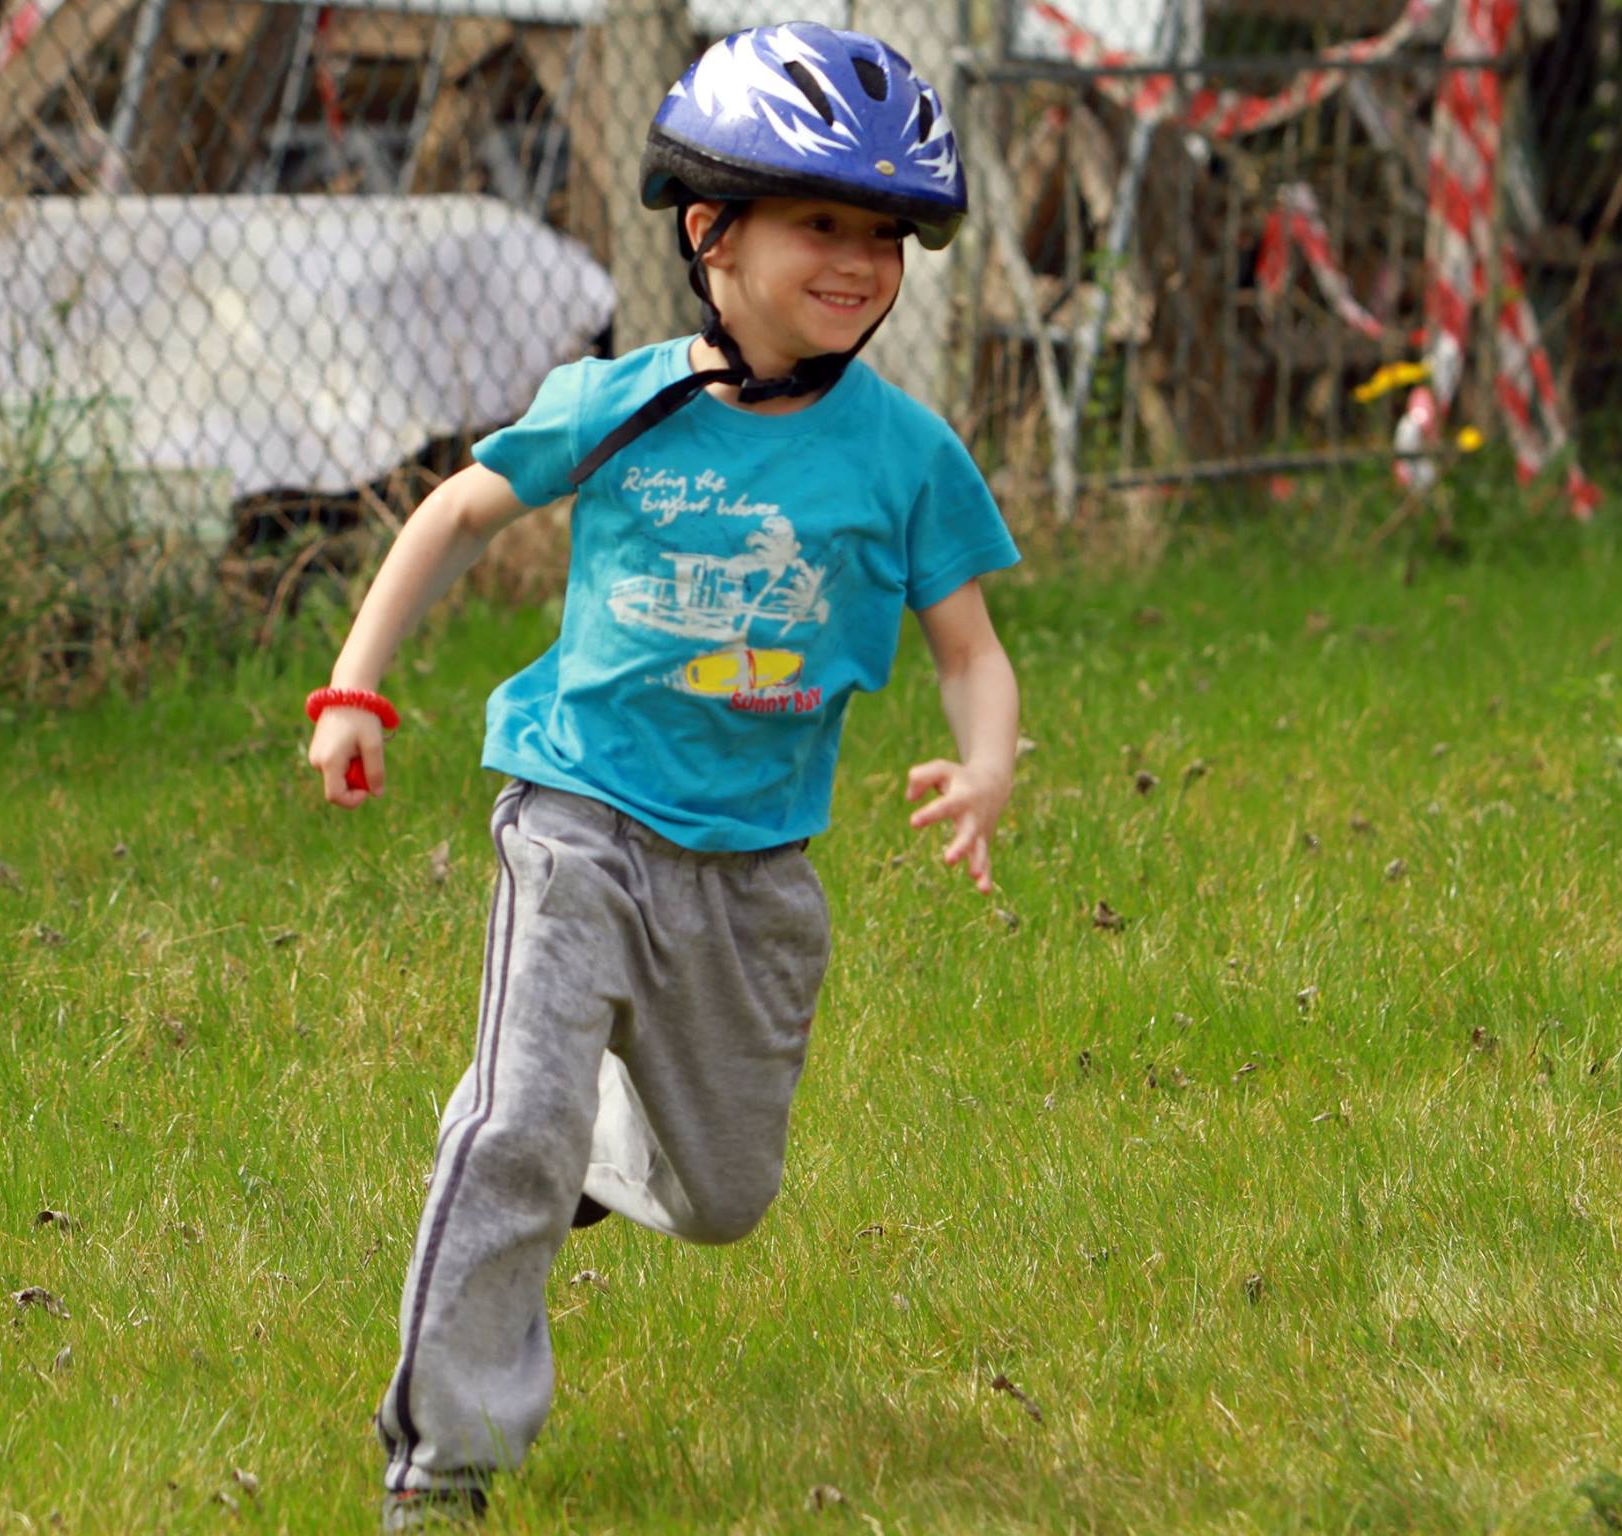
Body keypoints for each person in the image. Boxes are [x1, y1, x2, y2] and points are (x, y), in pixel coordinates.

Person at [304, 22, 1021, 1530]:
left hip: (757, 867)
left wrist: (985, 765)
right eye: (821, 223)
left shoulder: (905, 454)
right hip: (578, 818)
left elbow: (969, 649)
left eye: (884, 235)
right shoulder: (620, 402)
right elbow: (455, 514)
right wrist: (355, 684)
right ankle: (444, 1462)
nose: (860, 261)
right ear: (713, 231)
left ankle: (584, 1141)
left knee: (725, 1197)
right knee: (511, 1127)